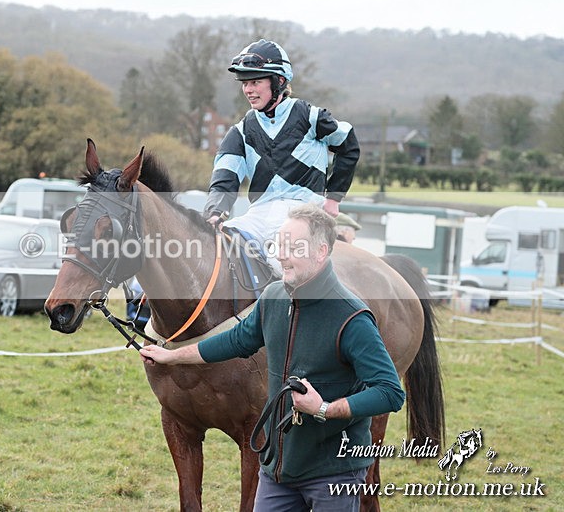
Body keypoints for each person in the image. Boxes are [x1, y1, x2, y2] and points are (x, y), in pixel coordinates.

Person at [140, 204, 404, 511]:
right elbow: (235, 340)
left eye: (293, 247)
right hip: (277, 470)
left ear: (320, 251)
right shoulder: (275, 297)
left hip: (334, 473)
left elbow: (390, 393)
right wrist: (172, 356)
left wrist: (324, 408)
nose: (281, 255)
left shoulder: (352, 317)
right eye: (279, 245)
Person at [204, 39, 360, 270]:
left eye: (255, 82)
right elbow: (224, 179)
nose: (248, 90)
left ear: (279, 81)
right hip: (258, 215)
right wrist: (214, 213)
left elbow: (348, 144)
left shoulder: (310, 117)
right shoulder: (240, 132)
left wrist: (334, 197)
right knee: (213, 247)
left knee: (279, 263)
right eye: (245, 83)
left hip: (304, 215)